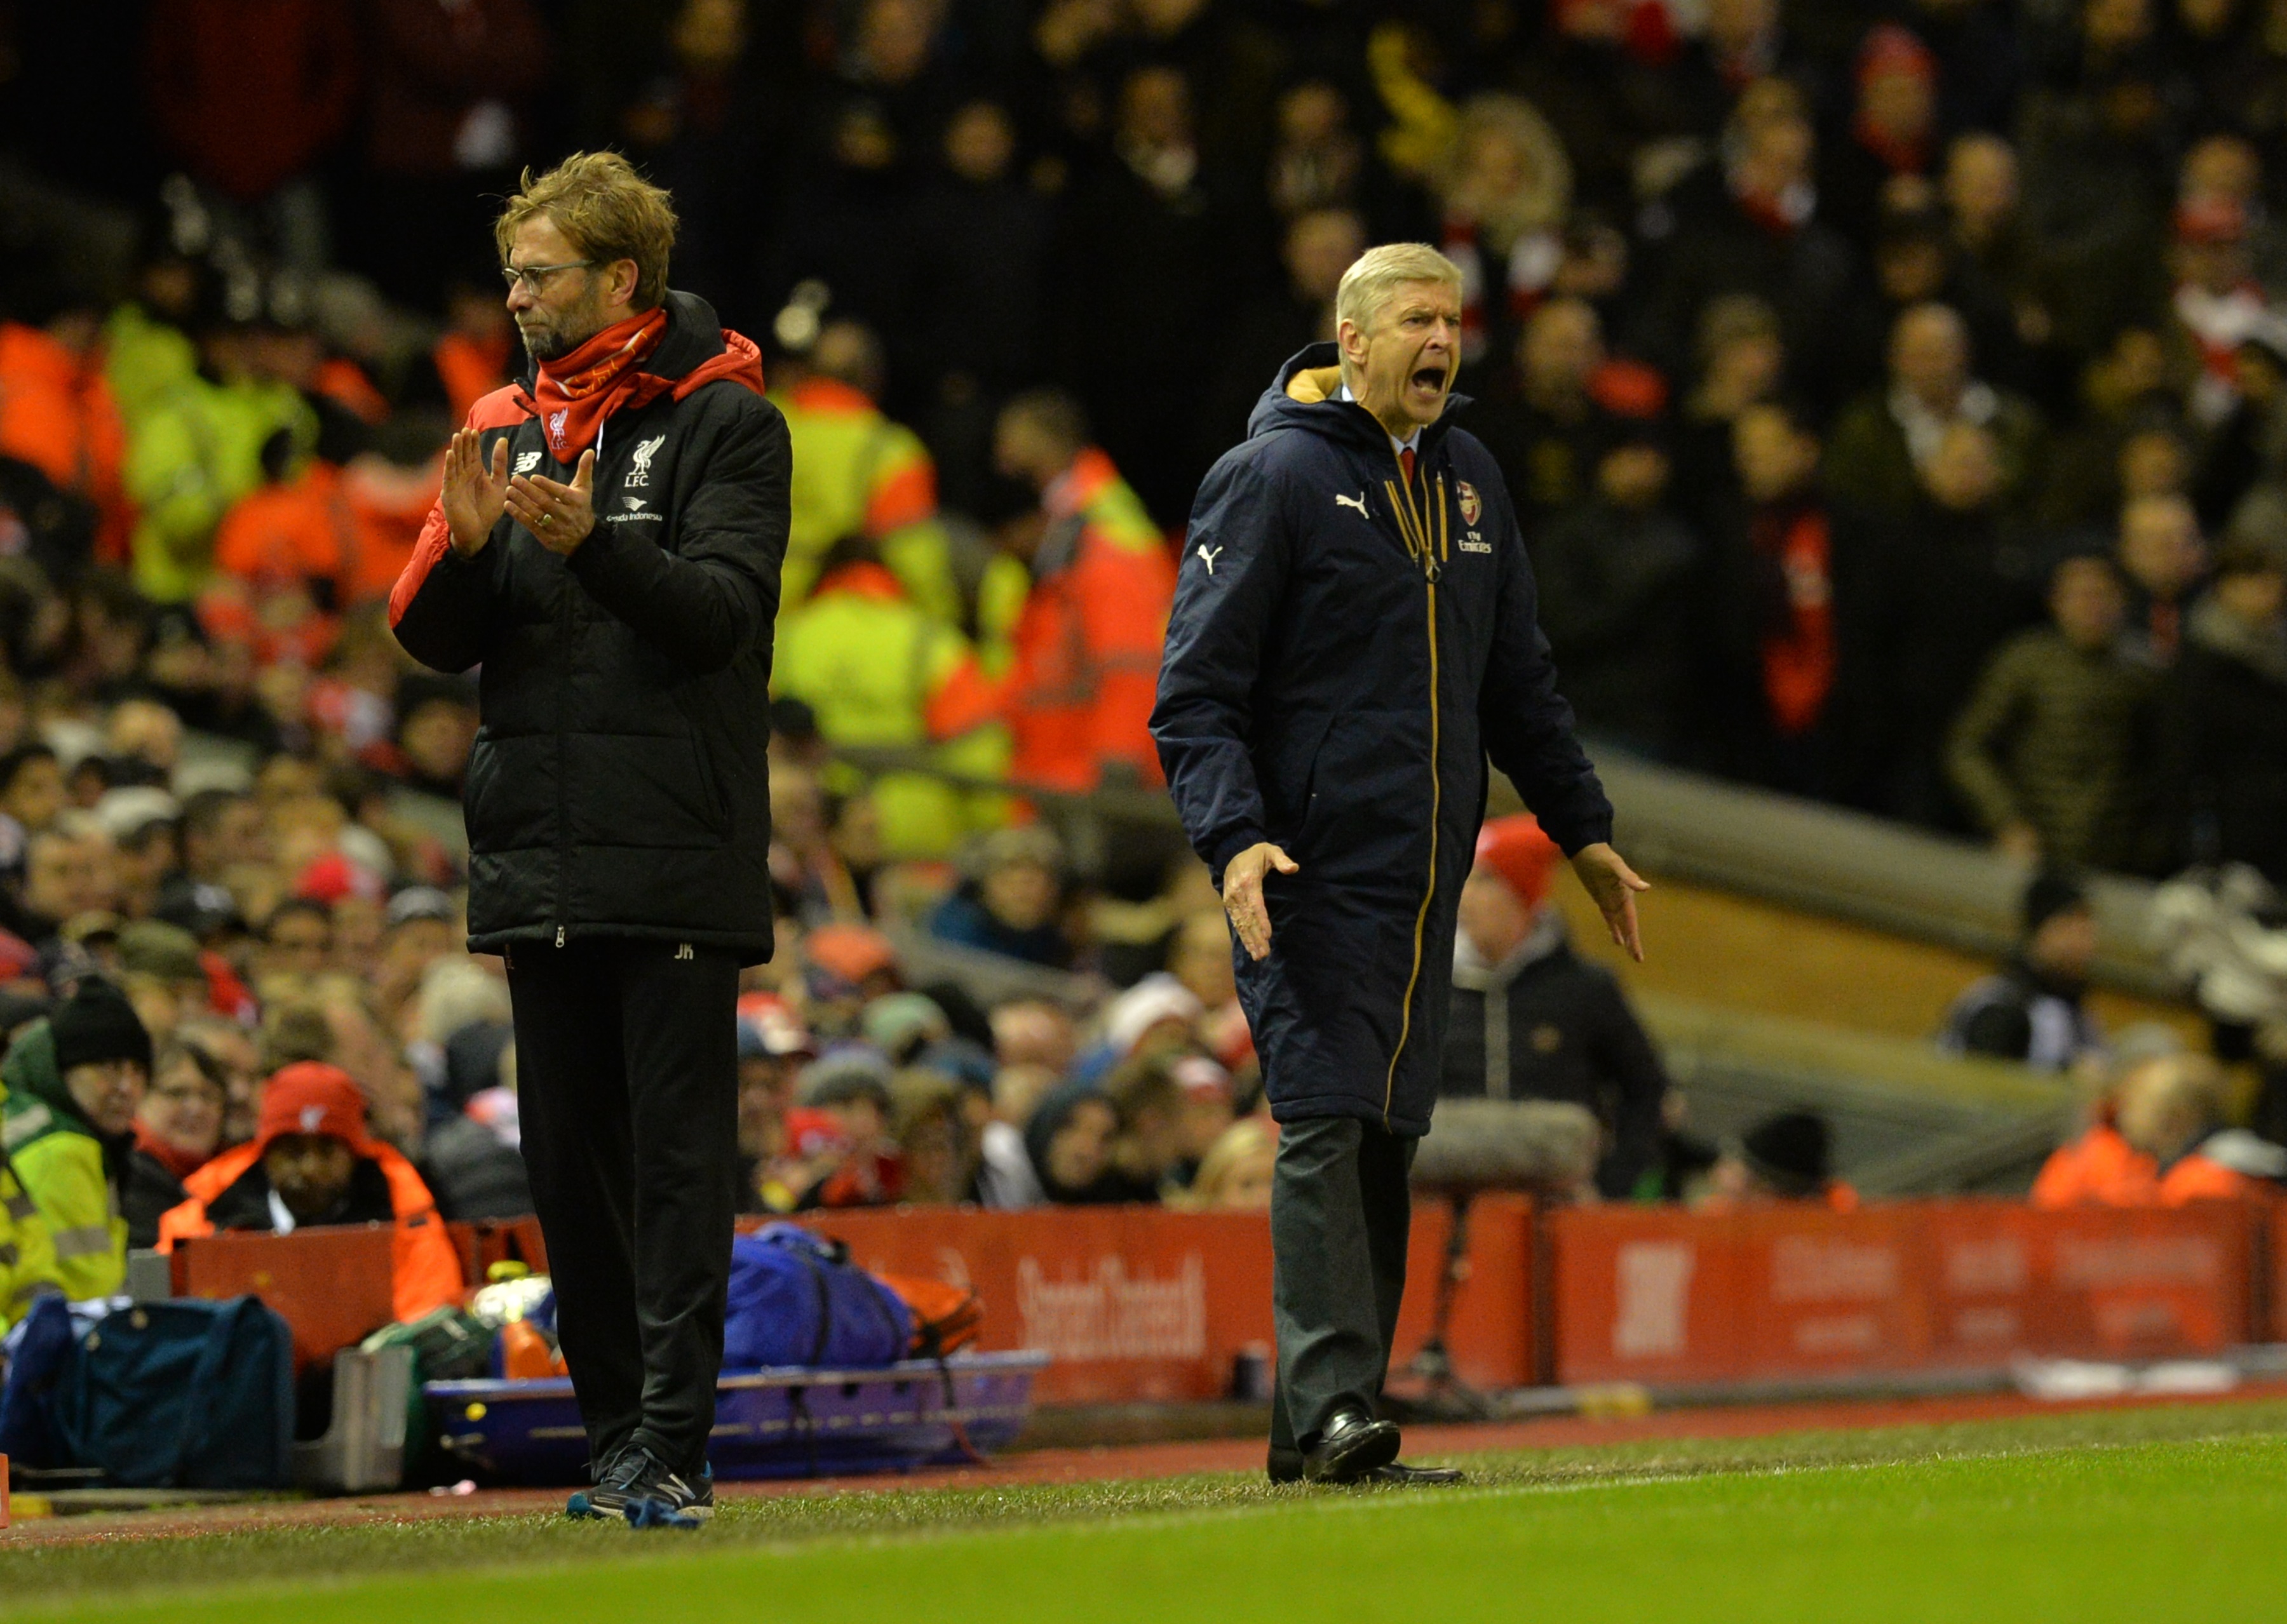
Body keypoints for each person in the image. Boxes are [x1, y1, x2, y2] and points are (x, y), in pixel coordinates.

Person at [1152, 243, 1644, 1487]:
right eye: (1419, 319)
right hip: (1309, 870)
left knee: (1382, 1138)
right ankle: (1327, 1408)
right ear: (1351, 340)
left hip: (1427, 882)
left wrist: (1583, 832)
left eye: (1454, 321)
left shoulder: (1470, 479)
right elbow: (1195, 694)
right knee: (1325, 1119)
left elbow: (1519, 682)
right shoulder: (1267, 479)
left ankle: (1329, 1422)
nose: (1443, 341)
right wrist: (1234, 835)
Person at [387, 152, 788, 1528]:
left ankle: (674, 1442)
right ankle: (617, 1437)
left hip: (673, 839)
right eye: (511, 274)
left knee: (675, 1161)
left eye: (541, 273)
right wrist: (466, 550)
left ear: (622, 278)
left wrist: (591, 545)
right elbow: (433, 640)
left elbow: (722, 620)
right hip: (541, 850)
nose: (518, 297)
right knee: (572, 1167)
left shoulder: (728, 420)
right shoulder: (500, 424)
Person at [1441, 815, 1670, 1200]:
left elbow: (1647, 1090)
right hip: (1440, 1209)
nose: (1464, 895)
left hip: (1554, 1213)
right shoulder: (1429, 985)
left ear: (1522, 894)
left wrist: (1611, 1186)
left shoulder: (1585, 990)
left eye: (1483, 879)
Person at [156, 1061, 462, 1320]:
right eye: (293, 1150)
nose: (310, 1168)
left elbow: (429, 1312)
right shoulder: (205, 1222)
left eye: (327, 1150)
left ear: (353, 1155)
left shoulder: (406, 1219)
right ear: (264, 1154)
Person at [983, 389, 1175, 793]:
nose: (1002, 457)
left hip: (1089, 766)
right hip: (1058, 761)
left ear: (1046, 440)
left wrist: (1120, 755)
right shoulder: (1072, 518)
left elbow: (1131, 654)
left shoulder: (1103, 526)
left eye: (1012, 440)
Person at [1946, 553, 2155, 869]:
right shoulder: (2026, 661)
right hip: (2034, 843)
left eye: (2102, 595)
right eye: (2079, 596)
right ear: (2056, 602)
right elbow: (1967, 748)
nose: (2092, 607)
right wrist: (2007, 821)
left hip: (2115, 855)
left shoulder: (2145, 673)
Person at [0, 976, 152, 1303]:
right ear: (59, 1071)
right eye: (107, 1067)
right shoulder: (62, 1149)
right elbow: (91, 1290)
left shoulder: (27, 1121)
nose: (126, 1088)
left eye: (137, 1071)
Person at [1940, 871, 2105, 1071]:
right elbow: (1982, 1084)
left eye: (2086, 932)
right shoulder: (1998, 1004)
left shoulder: (2079, 1015)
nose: (2081, 945)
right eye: (2068, 929)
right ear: (2039, 932)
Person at [124, 1038, 228, 1247]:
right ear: (139, 1098)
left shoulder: (239, 1186)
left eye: (208, 1096)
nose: (196, 1108)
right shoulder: (124, 1182)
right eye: (177, 1093)